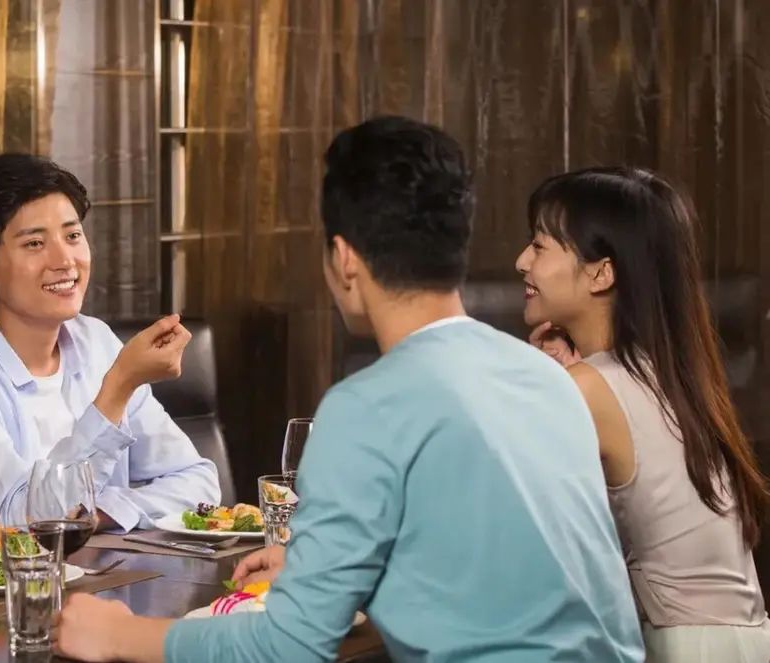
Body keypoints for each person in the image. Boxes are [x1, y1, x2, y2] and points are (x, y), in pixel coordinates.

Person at [51, 117, 645, 662]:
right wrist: (329, 572)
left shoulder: (365, 407)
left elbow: (289, 646)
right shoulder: (544, 376)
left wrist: (119, 635)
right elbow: (487, 569)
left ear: (345, 260)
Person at [516, 167, 770, 661]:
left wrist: (555, 383)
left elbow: (525, 534)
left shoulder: (589, 388)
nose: (522, 261)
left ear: (601, 273)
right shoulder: (670, 372)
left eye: (540, 245)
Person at [0, 154, 219, 534]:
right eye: (35, 243)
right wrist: (118, 386)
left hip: (112, 570)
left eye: (73, 236)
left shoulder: (97, 341)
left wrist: (98, 513)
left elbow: (197, 481)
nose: (65, 261)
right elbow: (23, 515)